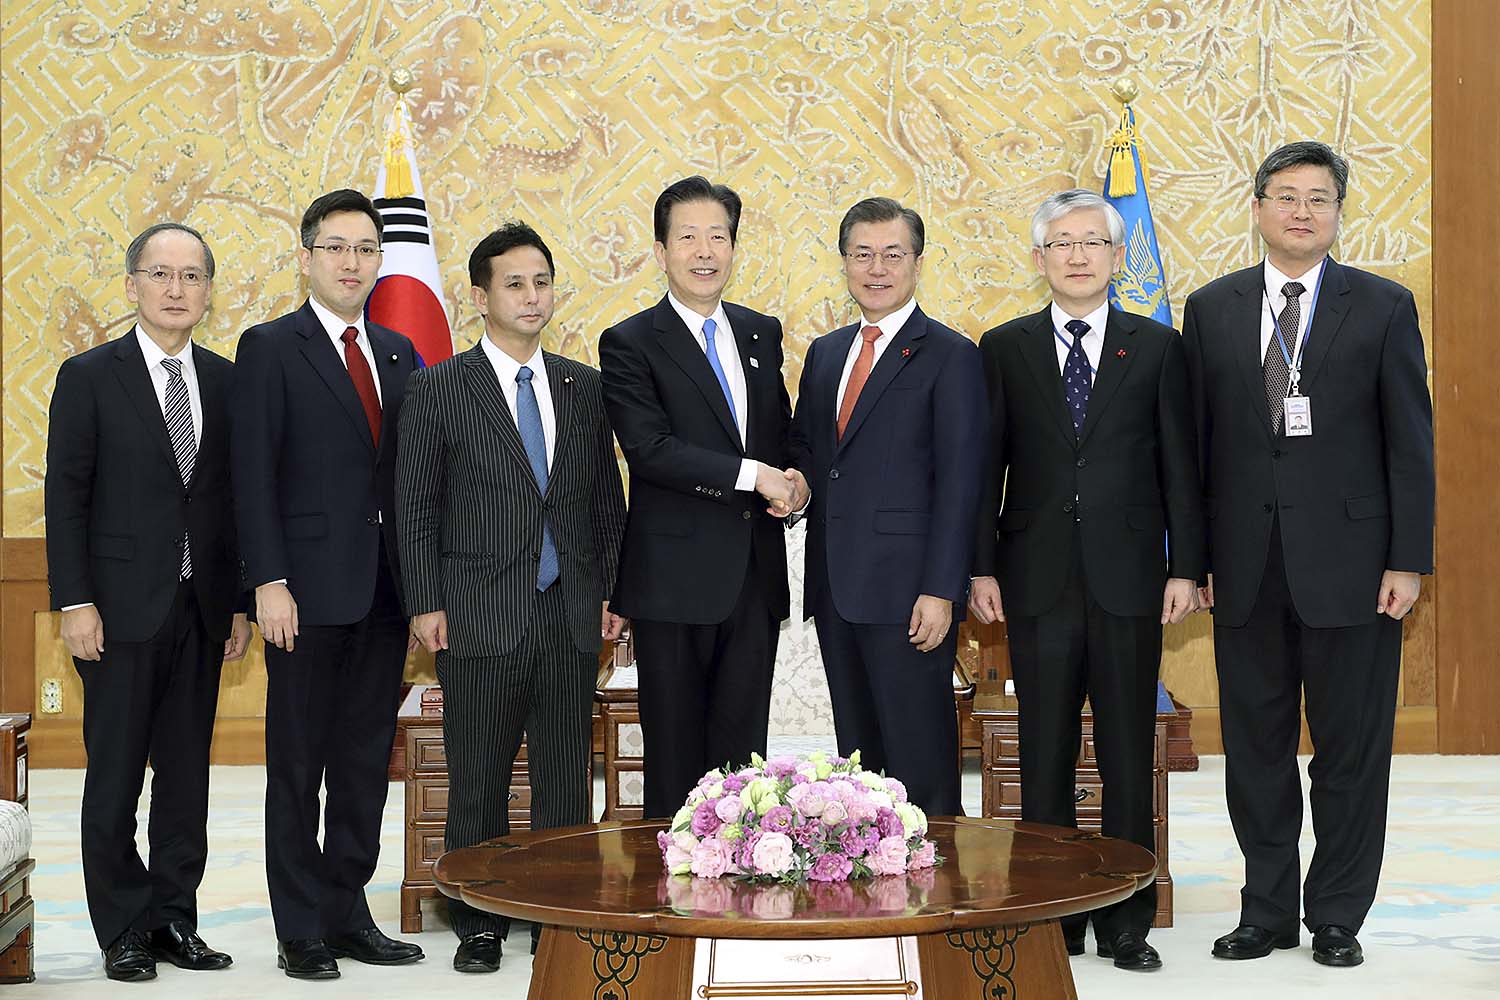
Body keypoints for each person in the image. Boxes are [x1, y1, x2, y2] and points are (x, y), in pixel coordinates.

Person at [1181, 142, 1434, 968]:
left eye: (1318, 199)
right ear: (1256, 209)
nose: (1300, 212)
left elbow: (1411, 444)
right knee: (1254, 749)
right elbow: (1197, 446)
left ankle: (1335, 916)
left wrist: (1408, 560)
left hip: (1358, 570)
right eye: (1285, 197)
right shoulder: (1211, 308)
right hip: (1245, 565)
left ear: (1337, 214)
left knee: (1350, 752)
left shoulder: (1385, 306)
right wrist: (1197, 555)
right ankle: (1265, 911)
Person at [969, 190, 1204, 971]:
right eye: (1061, 243)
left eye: (1092, 242)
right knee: (1044, 753)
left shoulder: (1159, 347)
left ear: (1115, 255)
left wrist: (1186, 568)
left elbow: (1183, 469)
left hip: (1132, 576)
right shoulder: (1003, 348)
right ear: (1039, 259)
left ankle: (1126, 919)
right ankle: (1053, 914)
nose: (1077, 255)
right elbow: (984, 470)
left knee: (1129, 751)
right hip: (1033, 578)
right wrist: (979, 566)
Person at [396, 222, 627, 973]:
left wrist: (610, 593)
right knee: (479, 782)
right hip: (475, 616)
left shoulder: (582, 385)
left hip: (568, 614)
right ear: (480, 297)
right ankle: (479, 923)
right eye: (515, 284)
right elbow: (417, 507)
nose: (532, 297)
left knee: (564, 779)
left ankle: (555, 917)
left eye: (542, 282)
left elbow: (603, 502)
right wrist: (426, 601)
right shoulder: (437, 387)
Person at [45, 222, 250, 981]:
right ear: (132, 284)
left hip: (203, 610)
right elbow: (65, 497)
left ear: (206, 290)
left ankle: (174, 920)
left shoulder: (228, 383)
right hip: (119, 611)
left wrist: (236, 604)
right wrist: (75, 601)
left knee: (186, 779)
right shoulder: (90, 376)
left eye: (192, 276)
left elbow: (232, 501)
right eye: (160, 274)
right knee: (114, 780)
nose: (176, 289)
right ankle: (124, 930)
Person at [232, 189, 424, 979]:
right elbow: (251, 476)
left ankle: (349, 913)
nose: (352, 263)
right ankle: (300, 928)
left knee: (362, 764)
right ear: (307, 255)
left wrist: (423, 591)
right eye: (337, 248)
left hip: (385, 595)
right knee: (299, 765)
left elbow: (411, 480)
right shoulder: (270, 346)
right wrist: (266, 582)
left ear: (381, 262)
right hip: (303, 596)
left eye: (366, 250)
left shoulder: (398, 352)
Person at [598, 176, 806, 819]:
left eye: (718, 235)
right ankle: (676, 903)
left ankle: (740, 890)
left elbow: (779, 429)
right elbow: (651, 450)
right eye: (687, 236)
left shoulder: (759, 332)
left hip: (753, 573)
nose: (705, 250)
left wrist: (797, 480)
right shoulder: (630, 341)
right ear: (661, 252)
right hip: (674, 582)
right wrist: (756, 475)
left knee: (745, 760)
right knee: (678, 757)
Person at [788, 197, 986, 816]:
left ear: (917, 262)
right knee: (861, 771)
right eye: (862, 254)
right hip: (837, 589)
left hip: (910, 597)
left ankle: (938, 904)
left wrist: (941, 589)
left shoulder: (951, 355)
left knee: (919, 763)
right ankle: (872, 902)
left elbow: (963, 482)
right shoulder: (826, 353)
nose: (877, 268)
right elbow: (812, 452)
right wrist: (787, 483)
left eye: (893, 254)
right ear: (845, 262)